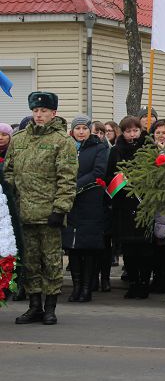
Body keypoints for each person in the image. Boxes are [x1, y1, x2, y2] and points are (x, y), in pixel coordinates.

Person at [5, 92, 77, 325]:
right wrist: (8, 203)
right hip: (23, 212)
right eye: (36, 111)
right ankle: (34, 305)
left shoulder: (61, 141)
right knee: (30, 262)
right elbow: (8, 172)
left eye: (44, 111)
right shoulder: (19, 139)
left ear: (53, 113)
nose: (39, 115)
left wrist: (60, 209)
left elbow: (67, 179)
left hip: (49, 213)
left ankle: (50, 307)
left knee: (52, 262)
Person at [63, 115, 108, 303]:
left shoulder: (99, 147)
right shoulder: (66, 147)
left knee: (87, 248)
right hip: (70, 203)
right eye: (77, 128)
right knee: (72, 248)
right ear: (72, 131)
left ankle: (87, 289)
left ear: (90, 130)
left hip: (90, 202)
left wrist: (72, 186)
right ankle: (76, 287)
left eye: (84, 128)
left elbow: (98, 172)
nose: (81, 132)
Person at [107, 116, 152, 299]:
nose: (132, 134)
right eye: (128, 131)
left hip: (144, 204)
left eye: (135, 130)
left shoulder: (148, 148)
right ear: (122, 132)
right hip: (124, 204)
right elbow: (110, 175)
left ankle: (144, 282)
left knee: (145, 249)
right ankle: (133, 282)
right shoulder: (117, 150)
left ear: (141, 131)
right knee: (129, 248)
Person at [150, 119, 165, 296]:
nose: (160, 136)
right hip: (155, 204)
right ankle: (158, 279)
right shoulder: (149, 151)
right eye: (157, 133)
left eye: (164, 133)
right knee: (157, 246)